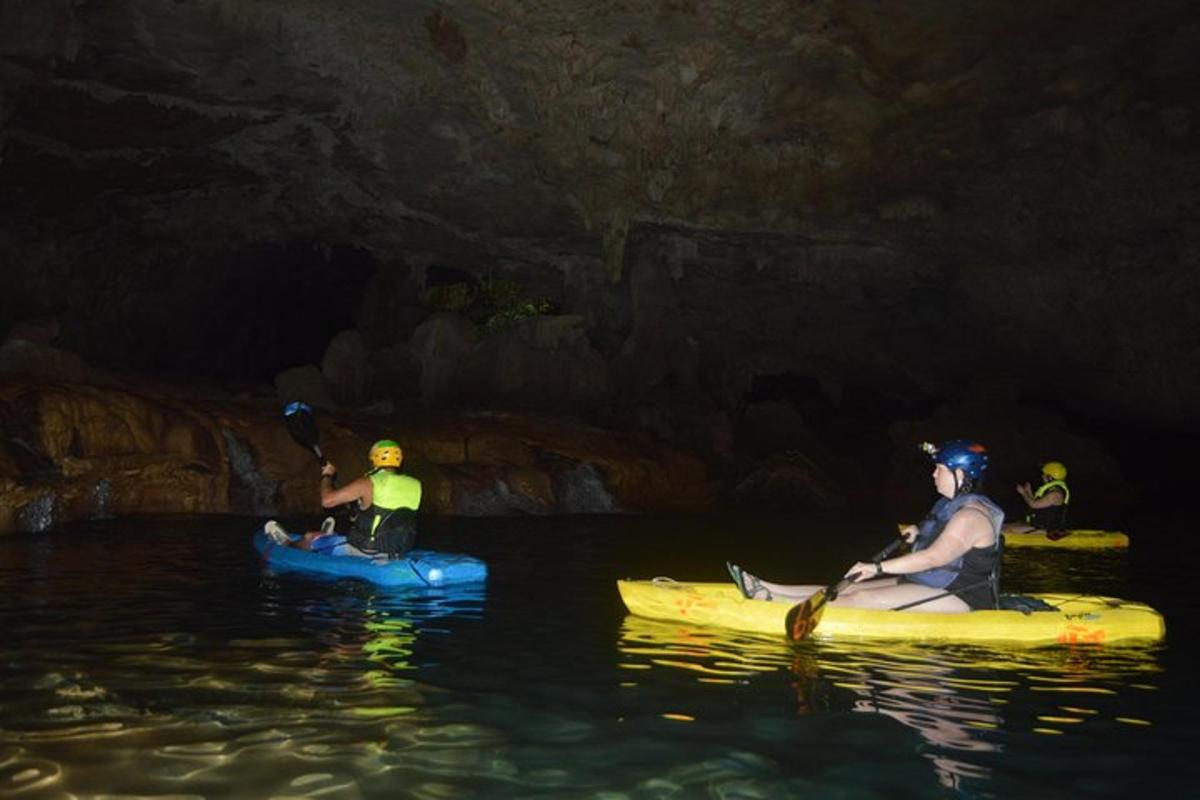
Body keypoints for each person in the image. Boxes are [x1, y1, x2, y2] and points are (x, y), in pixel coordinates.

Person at [726, 440, 1004, 612]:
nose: (933, 474)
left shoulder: (971, 516)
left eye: (940, 469)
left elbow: (934, 557)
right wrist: (918, 533)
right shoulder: (953, 504)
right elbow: (941, 541)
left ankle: (777, 607)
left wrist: (877, 568)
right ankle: (769, 588)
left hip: (961, 596)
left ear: (960, 474)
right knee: (846, 587)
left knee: (864, 598)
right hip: (931, 583)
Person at [264, 438, 423, 559]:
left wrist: (327, 476)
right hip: (397, 549)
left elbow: (327, 501)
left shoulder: (368, 483)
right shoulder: (416, 485)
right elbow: (384, 512)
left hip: (366, 550)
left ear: (374, 459)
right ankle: (327, 536)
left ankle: (286, 544)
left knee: (309, 537)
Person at [1011, 461, 1069, 532]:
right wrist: (1028, 492)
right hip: (1038, 526)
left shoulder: (1056, 494)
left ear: (1050, 477)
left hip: (1046, 530)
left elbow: (1033, 504)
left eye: (1044, 474)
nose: (1042, 476)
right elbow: (1037, 503)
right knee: (1006, 525)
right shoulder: (1052, 490)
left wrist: (1023, 493)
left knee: (1007, 530)